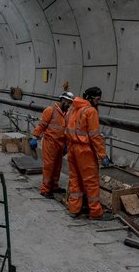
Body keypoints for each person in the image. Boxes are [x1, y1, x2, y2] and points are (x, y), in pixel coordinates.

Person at [66, 86, 112, 221]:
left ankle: (74, 209)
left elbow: (67, 128)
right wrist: (102, 155)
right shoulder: (90, 111)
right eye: (97, 99)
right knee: (91, 182)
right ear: (90, 98)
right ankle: (96, 212)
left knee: (75, 180)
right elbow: (95, 136)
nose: (99, 102)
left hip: (72, 148)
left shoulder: (73, 108)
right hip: (84, 150)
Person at [28, 92, 75, 199]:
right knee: (49, 167)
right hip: (50, 143)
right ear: (62, 100)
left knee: (58, 166)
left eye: (70, 103)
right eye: (67, 102)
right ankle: (45, 189)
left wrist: (67, 144)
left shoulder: (67, 113)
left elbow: (67, 129)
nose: (69, 104)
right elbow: (41, 125)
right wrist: (34, 137)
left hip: (61, 144)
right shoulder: (50, 110)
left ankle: (54, 186)